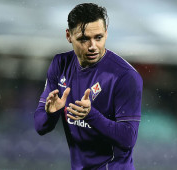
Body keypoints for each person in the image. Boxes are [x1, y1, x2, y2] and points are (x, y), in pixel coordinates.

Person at [34, 3, 143, 170]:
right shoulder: (60, 64)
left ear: (106, 33)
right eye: (84, 39)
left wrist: (90, 115)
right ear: (69, 35)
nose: (92, 46)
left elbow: (128, 138)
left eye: (98, 37)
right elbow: (41, 127)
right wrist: (51, 113)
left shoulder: (125, 76)